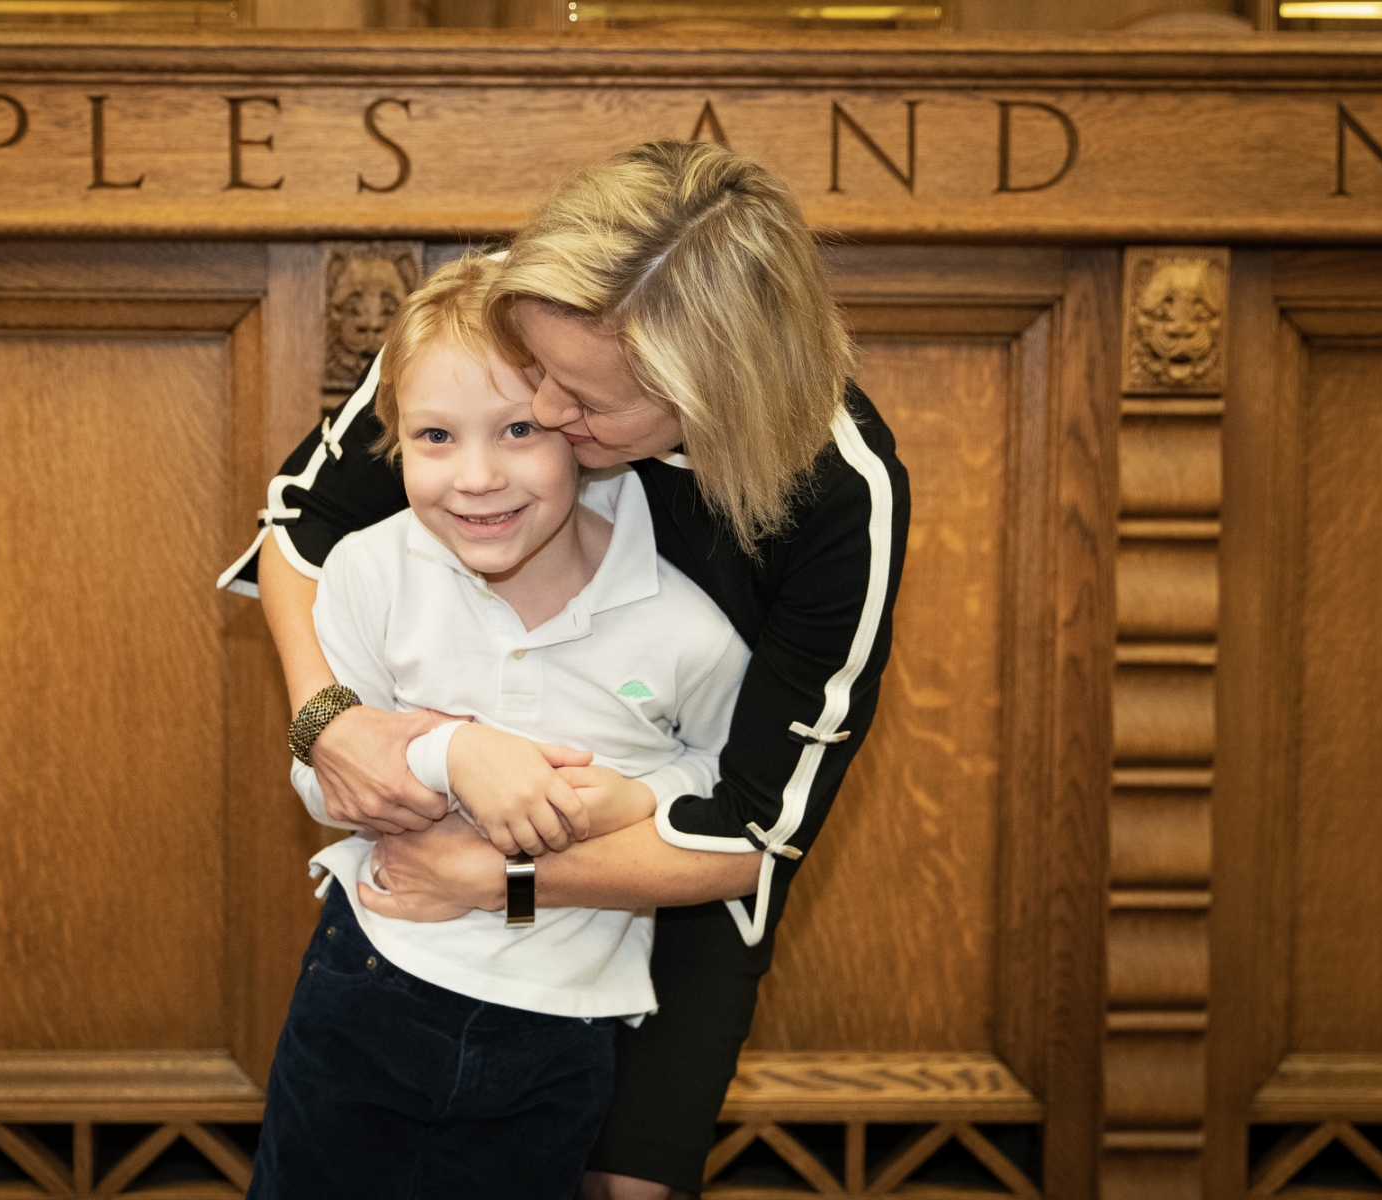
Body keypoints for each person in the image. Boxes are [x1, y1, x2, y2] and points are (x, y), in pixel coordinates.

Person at [219, 140, 911, 1200]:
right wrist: (333, 720)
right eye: (532, 367)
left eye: (580, 401)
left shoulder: (840, 494)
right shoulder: (505, 309)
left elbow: (754, 832)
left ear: (704, 396)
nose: (539, 407)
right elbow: (301, 528)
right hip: (425, 907)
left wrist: (498, 879)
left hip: (670, 875)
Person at [245, 254, 753, 1199]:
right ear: (396, 441)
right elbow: (321, 783)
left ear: (582, 433)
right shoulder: (367, 572)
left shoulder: (684, 623)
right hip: (370, 982)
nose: (476, 477)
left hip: (564, 1021)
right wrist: (454, 752)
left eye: (518, 430)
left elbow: (728, 788)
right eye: (435, 436)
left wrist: (634, 797)